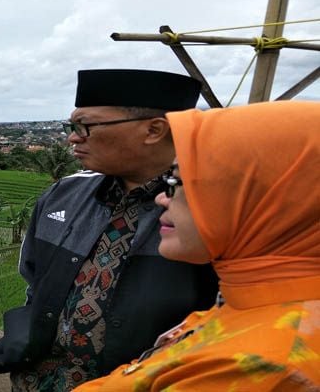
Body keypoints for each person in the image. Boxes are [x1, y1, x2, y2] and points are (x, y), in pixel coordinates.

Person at [0, 69, 219, 390]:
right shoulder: (63, 194)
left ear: (154, 130)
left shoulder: (212, 207)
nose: (73, 137)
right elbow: (34, 280)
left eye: (86, 126)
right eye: (72, 127)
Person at [74, 100, 320, 391]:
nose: (163, 198)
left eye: (177, 180)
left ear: (265, 196)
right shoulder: (255, 300)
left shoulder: (253, 367)